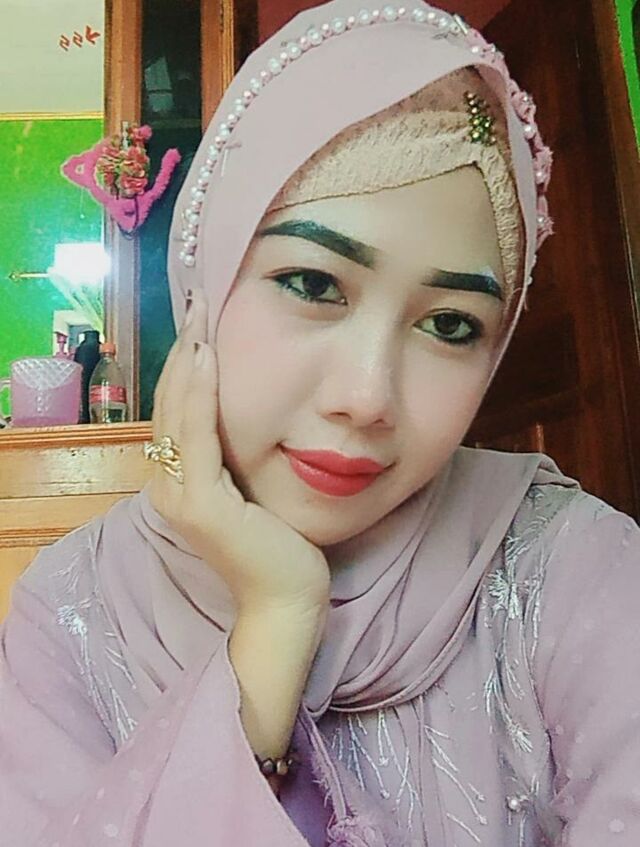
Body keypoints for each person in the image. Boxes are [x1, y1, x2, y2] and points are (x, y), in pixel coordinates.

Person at [1, 1, 639, 845]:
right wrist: (275, 621)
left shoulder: (571, 570)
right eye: (313, 283)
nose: (367, 396)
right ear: (205, 281)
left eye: (451, 324)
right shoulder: (71, 616)